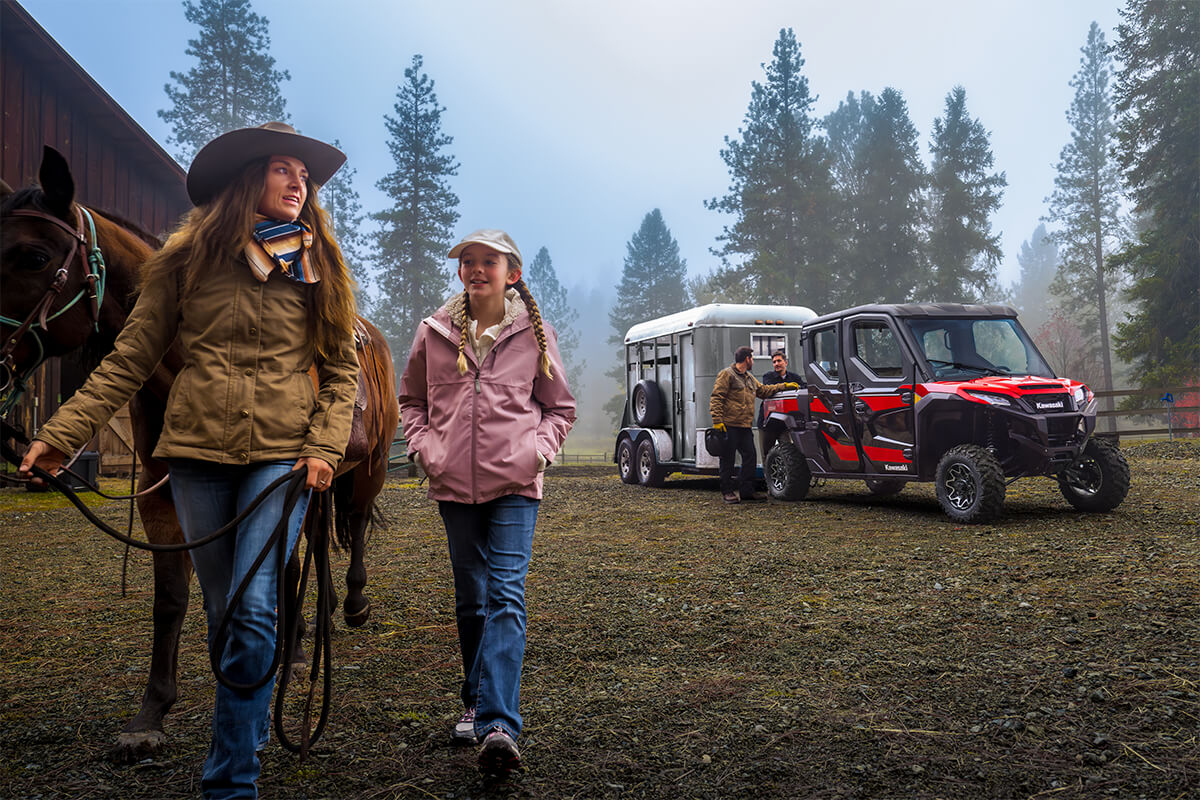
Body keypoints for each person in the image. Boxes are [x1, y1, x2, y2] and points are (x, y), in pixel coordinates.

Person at [19, 122, 359, 799]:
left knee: (256, 609)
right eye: (282, 169)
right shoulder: (182, 262)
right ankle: (249, 717)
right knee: (223, 611)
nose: (299, 183)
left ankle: (229, 780)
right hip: (197, 455)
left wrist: (324, 448)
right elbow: (131, 358)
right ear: (246, 179)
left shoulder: (319, 263)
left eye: (304, 175)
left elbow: (342, 368)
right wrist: (62, 433)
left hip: (282, 459)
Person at [398, 229, 575, 775]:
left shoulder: (534, 335)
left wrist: (537, 454)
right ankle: (473, 702)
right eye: (468, 262)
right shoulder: (434, 333)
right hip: (454, 484)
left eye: (488, 262)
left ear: (511, 273)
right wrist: (426, 448)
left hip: (516, 486)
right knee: (471, 601)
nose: (476, 269)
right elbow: (411, 401)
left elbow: (560, 408)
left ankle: (499, 724)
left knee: (506, 595)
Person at [710, 346, 798, 504]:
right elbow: (717, 397)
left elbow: (763, 390)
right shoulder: (727, 375)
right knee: (728, 459)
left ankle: (747, 492)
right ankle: (727, 492)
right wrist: (717, 421)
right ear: (746, 359)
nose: (754, 361)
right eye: (752, 358)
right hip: (729, 425)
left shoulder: (749, 378)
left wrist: (784, 386)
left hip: (744, 426)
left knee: (750, 457)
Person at [757, 349, 804, 454]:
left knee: (788, 453)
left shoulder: (794, 377)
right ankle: (768, 471)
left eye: (779, 361)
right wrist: (787, 387)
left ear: (785, 362)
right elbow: (769, 389)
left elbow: (803, 387)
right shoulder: (768, 377)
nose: (776, 364)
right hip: (767, 423)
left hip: (784, 424)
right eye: (774, 362)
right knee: (767, 454)